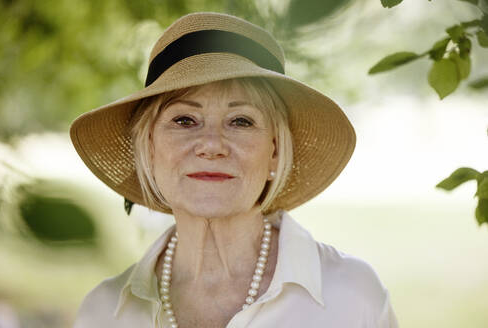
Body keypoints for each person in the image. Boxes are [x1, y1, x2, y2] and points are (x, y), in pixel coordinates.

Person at [70, 12, 398, 328]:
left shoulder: (353, 299)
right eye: (184, 120)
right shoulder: (104, 313)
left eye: (241, 121)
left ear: (275, 151)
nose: (211, 145)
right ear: (151, 148)